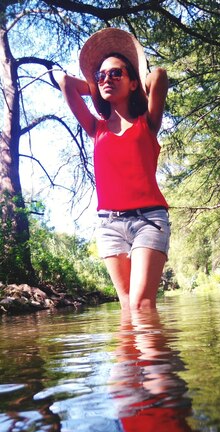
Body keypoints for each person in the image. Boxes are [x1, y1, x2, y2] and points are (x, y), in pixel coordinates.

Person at [56, 28, 170, 311]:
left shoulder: (147, 124)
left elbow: (159, 75)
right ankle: (132, 358)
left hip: (149, 221)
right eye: (101, 75)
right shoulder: (97, 128)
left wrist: (135, 80)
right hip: (109, 225)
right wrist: (97, 88)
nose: (107, 78)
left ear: (133, 82)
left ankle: (153, 357)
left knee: (142, 303)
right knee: (127, 305)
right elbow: (65, 83)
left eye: (116, 73)